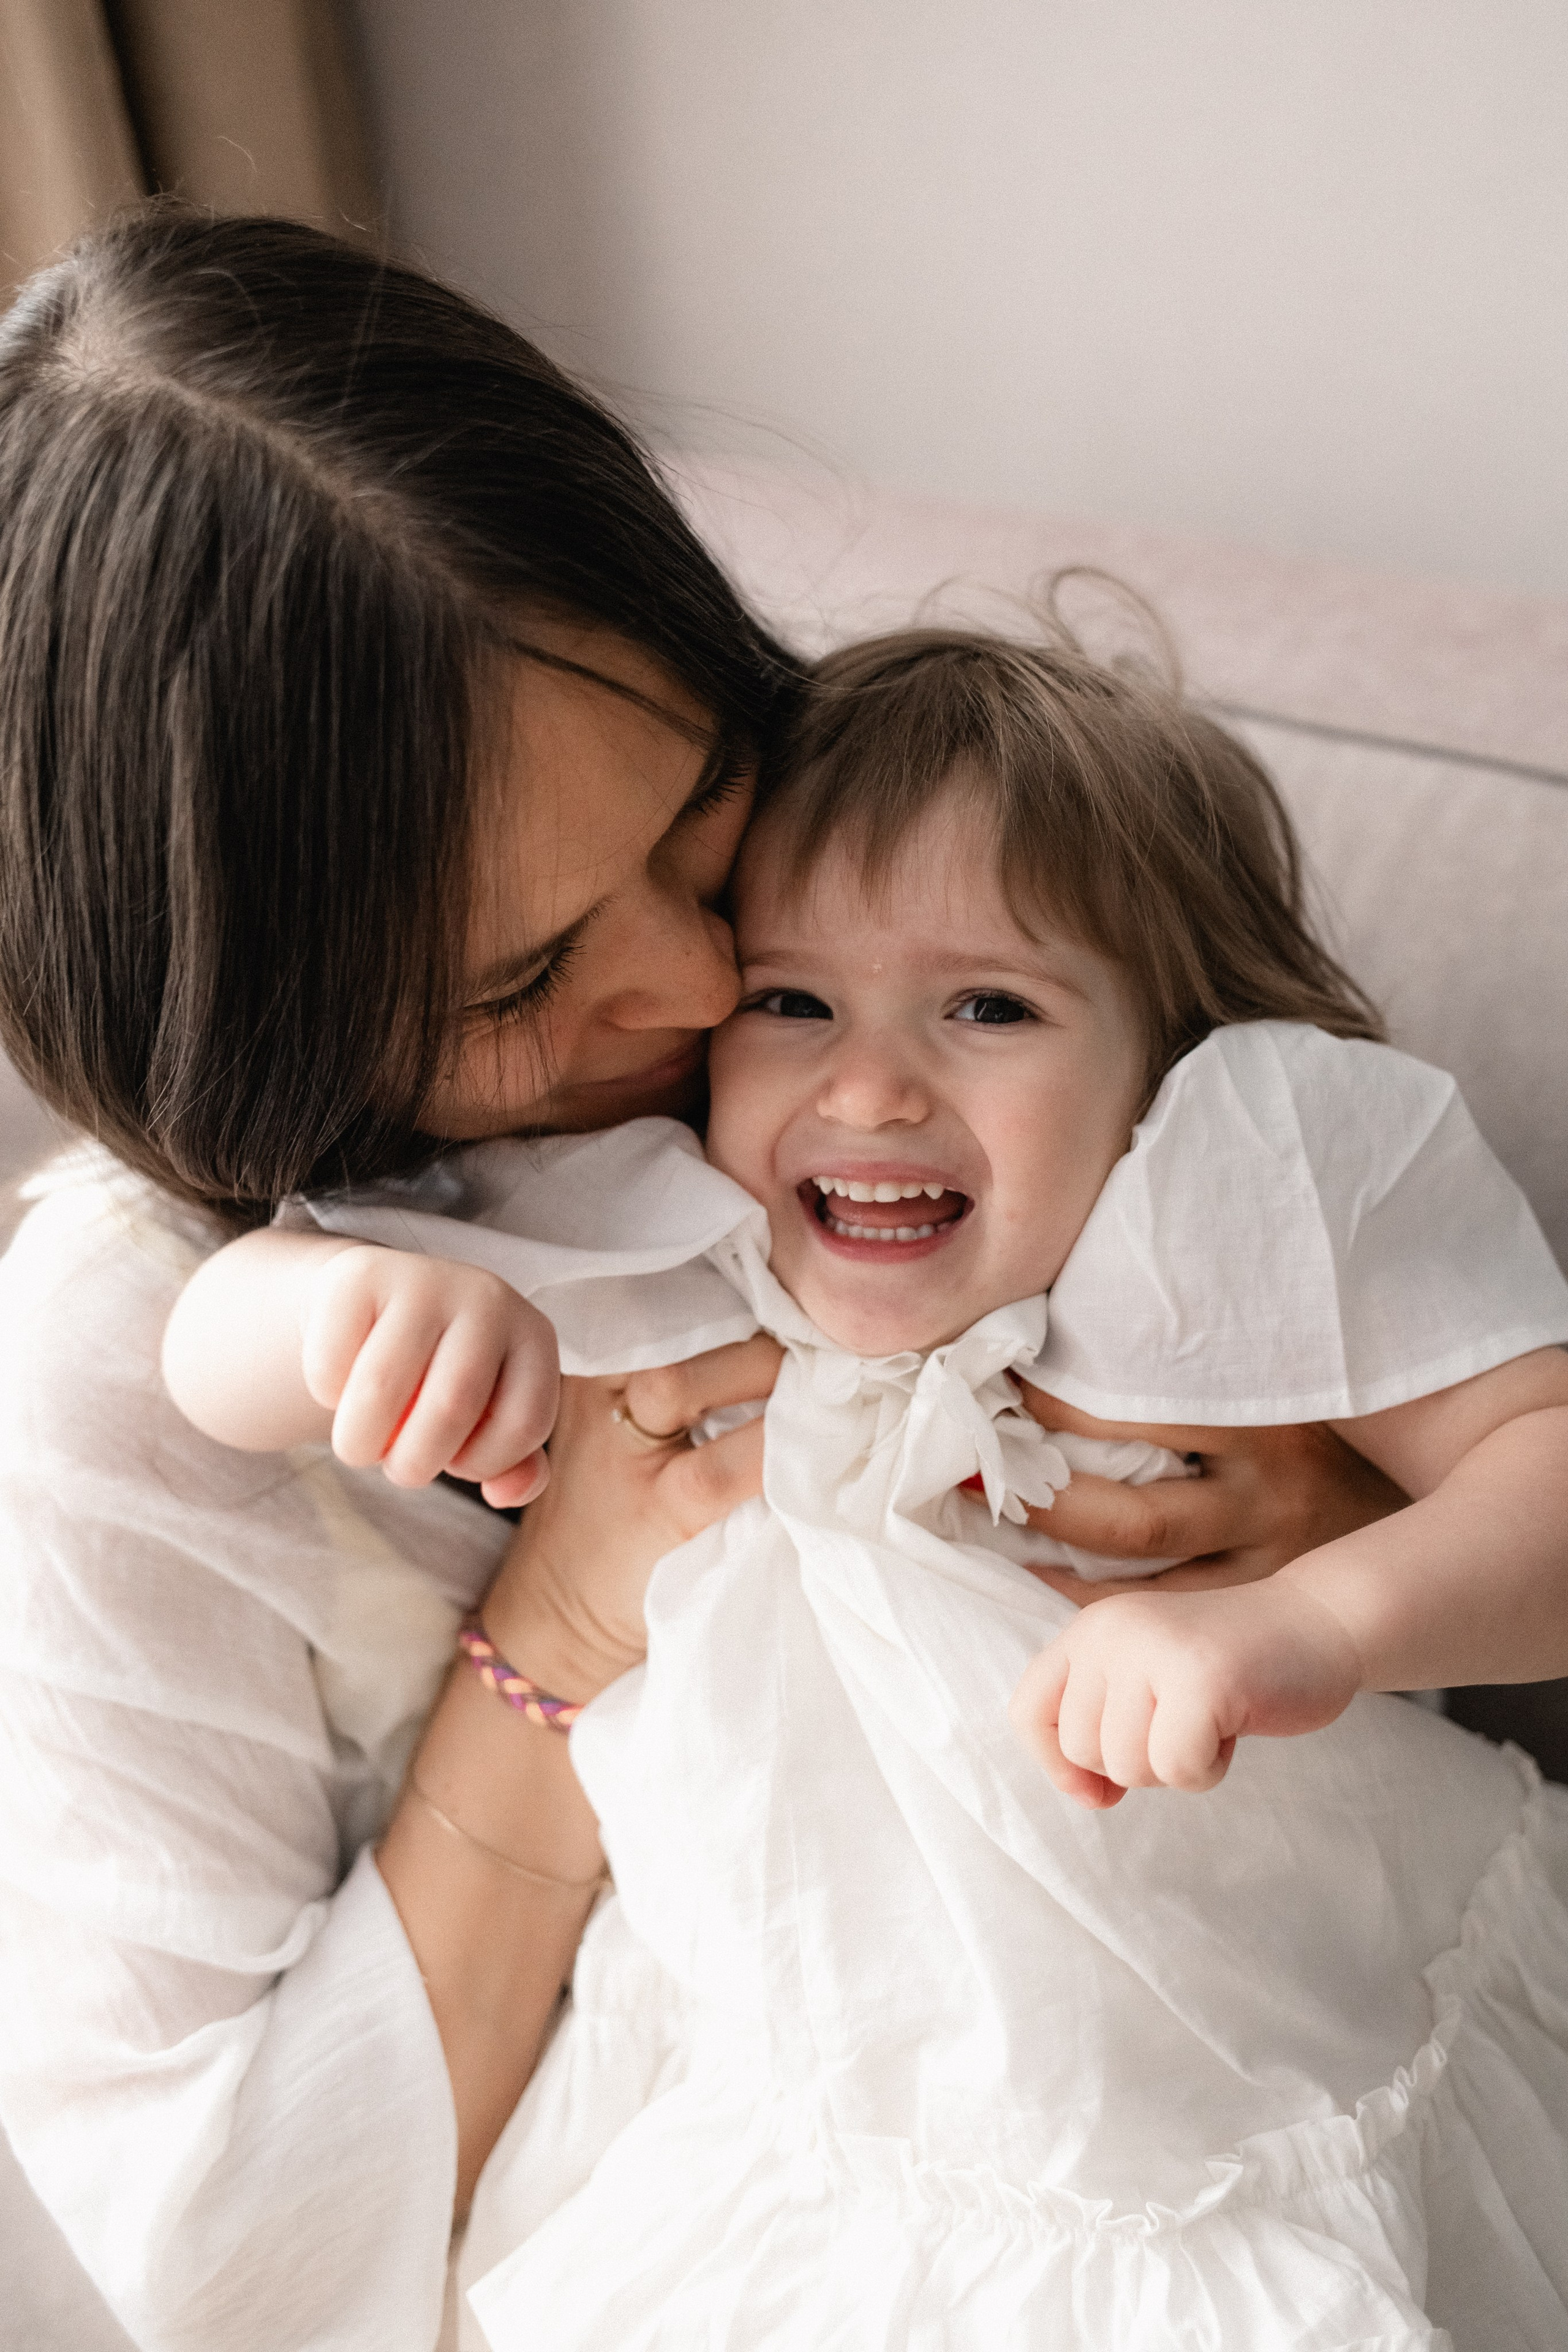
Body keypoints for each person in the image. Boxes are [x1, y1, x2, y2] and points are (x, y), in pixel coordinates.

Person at [0, 206, 1404, 2352]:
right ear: (253, 1036)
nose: (691, 979)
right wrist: (560, 1627)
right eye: (524, 977)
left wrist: (1323, 1522)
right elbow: (229, 2284)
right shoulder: (144, 1353)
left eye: (693, 820)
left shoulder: (883, 897)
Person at [167, 627, 1568, 2348]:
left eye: (989, 1006)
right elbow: (203, 1353)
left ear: (1168, 1056)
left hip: (1249, 2048)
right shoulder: (680, 1222)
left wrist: (1314, 1617)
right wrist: (346, 1315)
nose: (873, 1084)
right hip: (791, 2075)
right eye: (792, 1000)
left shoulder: (1228, 1201)